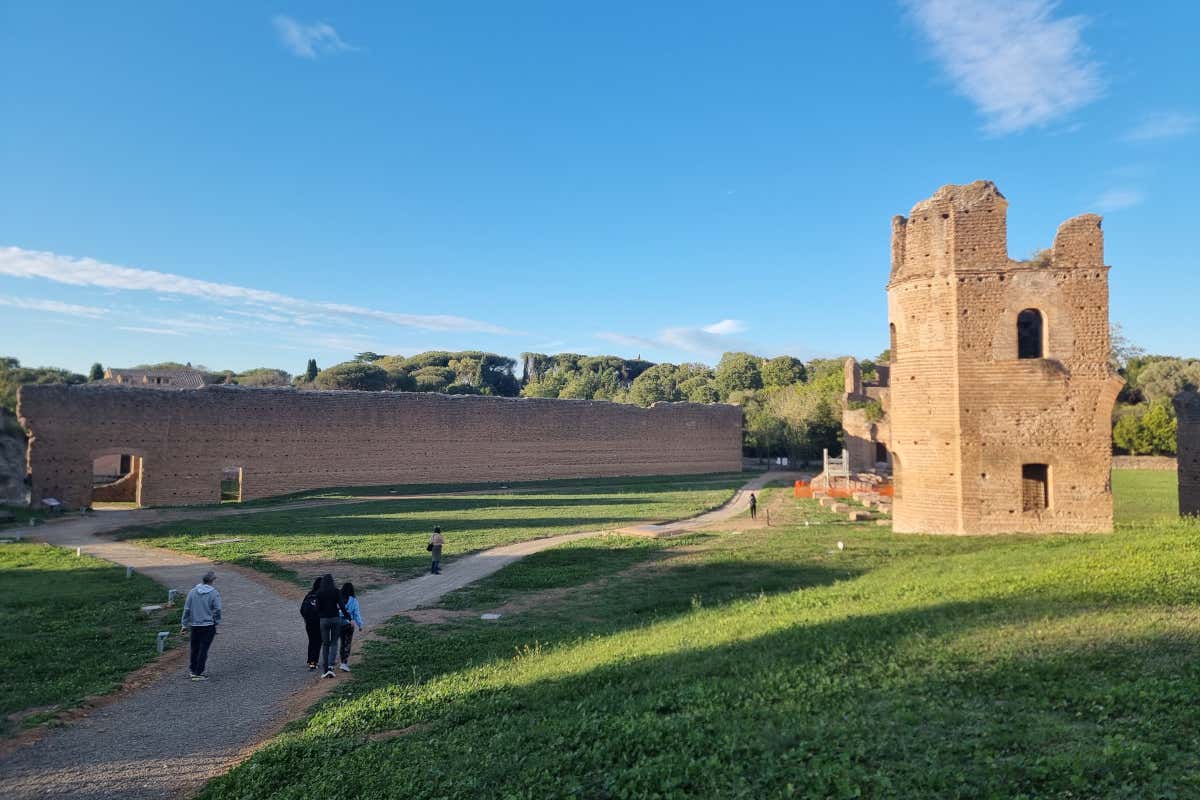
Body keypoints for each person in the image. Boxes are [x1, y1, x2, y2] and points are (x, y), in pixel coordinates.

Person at [181, 570, 221, 681]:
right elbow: (217, 609)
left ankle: (193, 670)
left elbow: (187, 609)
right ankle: (199, 673)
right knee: (204, 649)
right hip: (208, 625)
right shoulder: (214, 593)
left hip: (195, 625)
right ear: (213, 580)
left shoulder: (192, 592)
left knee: (194, 648)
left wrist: (184, 624)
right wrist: (216, 621)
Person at [314, 573, 349, 678]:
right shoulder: (336, 591)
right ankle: (330, 665)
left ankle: (325, 669)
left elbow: (317, 608)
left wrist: (320, 615)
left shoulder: (319, 593)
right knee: (334, 643)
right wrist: (348, 617)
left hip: (324, 620)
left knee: (325, 644)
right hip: (335, 619)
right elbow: (342, 606)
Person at [338, 581, 365, 672]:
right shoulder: (353, 601)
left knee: (336, 642)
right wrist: (360, 625)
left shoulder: (338, 599)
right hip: (349, 624)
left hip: (337, 623)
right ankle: (344, 663)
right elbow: (356, 614)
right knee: (346, 643)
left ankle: (330, 662)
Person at [300, 577, 322, 670]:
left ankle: (310, 661)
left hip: (309, 623)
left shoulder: (309, 594)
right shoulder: (322, 595)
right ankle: (314, 662)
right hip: (319, 623)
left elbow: (301, 610)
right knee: (318, 642)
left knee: (312, 641)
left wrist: (306, 619)